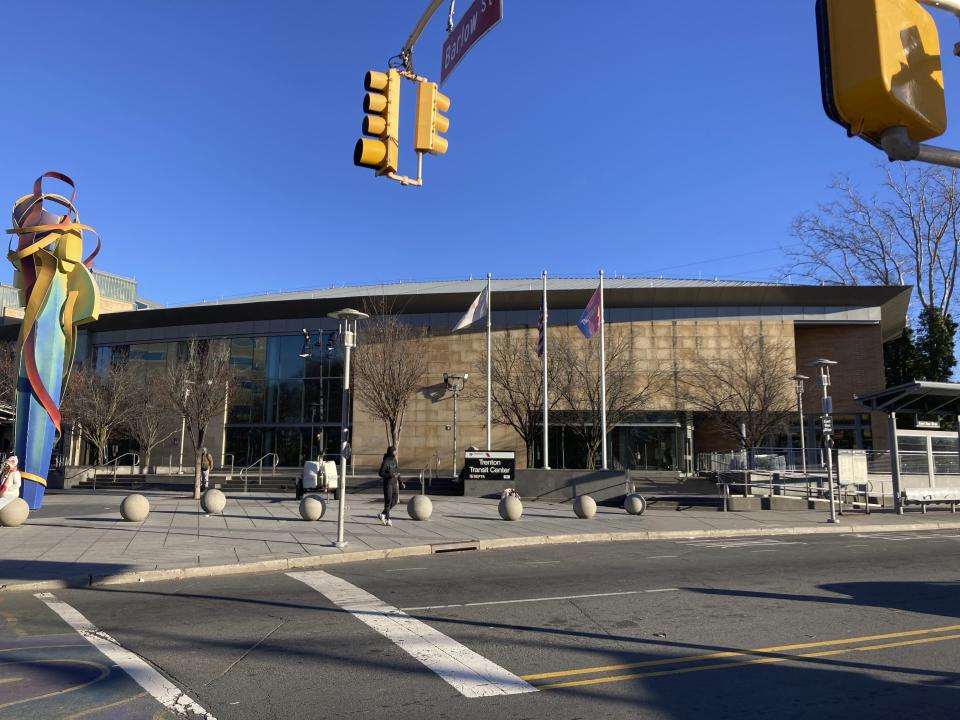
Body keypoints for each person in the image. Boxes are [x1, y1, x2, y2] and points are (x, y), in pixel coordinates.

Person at [377, 446, 400, 526]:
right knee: (388, 501)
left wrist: (400, 482)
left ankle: (383, 514)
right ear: (391, 452)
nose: (396, 453)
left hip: (394, 484)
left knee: (395, 499)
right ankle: (388, 519)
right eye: (395, 451)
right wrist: (390, 476)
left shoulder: (394, 460)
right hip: (388, 484)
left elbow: (397, 471)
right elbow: (380, 473)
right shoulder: (386, 461)